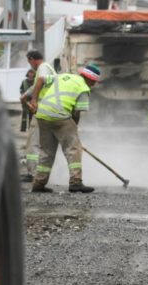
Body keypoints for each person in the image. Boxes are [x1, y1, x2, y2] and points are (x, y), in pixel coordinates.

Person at [30, 64, 101, 194]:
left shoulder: (63, 76)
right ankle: (76, 182)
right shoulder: (83, 88)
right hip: (60, 116)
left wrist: (34, 100)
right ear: (89, 78)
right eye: (94, 81)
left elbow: (40, 79)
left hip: (42, 114)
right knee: (73, 149)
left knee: (46, 152)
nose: (94, 84)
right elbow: (76, 113)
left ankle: (39, 184)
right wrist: (74, 131)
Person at [20, 50, 57, 182]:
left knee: (33, 142)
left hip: (43, 110)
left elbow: (40, 82)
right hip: (51, 110)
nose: (30, 65)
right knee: (46, 144)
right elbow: (38, 85)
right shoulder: (48, 68)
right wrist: (26, 95)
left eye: (29, 62)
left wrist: (33, 99)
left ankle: (33, 173)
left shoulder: (42, 68)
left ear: (32, 59)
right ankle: (42, 174)